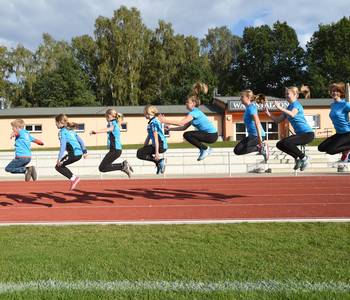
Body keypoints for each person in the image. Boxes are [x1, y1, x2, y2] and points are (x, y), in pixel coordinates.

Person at [159, 82, 218, 161]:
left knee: (187, 135)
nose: (185, 103)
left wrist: (165, 120)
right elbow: (183, 127)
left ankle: (205, 149)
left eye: (187, 102)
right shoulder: (193, 114)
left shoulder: (194, 113)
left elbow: (181, 122)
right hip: (211, 135)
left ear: (193, 103)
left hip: (211, 135)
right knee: (187, 134)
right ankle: (205, 149)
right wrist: (170, 129)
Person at [265, 86, 314, 171]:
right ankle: (297, 158)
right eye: (285, 94)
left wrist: (280, 108)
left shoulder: (296, 104)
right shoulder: (288, 107)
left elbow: (292, 114)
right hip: (300, 134)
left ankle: (304, 158)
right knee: (279, 144)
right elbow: (278, 120)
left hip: (307, 134)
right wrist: (268, 113)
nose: (286, 95)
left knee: (287, 142)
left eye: (288, 93)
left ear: (295, 95)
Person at [90, 109, 133, 178]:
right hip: (116, 150)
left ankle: (123, 166)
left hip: (115, 150)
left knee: (102, 168)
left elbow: (110, 129)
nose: (106, 119)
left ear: (109, 116)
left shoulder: (112, 123)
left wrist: (96, 131)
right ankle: (123, 165)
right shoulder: (116, 122)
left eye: (106, 117)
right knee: (103, 167)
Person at [318, 83, 350, 171]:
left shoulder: (345, 104)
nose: (334, 93)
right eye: (332, 91)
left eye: (336, 91)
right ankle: (346, 151)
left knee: (331, 150)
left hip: (347, 133)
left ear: (340, 93)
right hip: (339, 133)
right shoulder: (332, 105)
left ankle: (346, 153)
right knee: (321, 147)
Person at [233, 90, 269, 162]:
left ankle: (263, 147)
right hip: (252, 136)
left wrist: (260, 139)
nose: (240, 99)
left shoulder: (251, 108)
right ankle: (260, 148)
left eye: (242, 97)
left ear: (248, 97)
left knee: (239, 150)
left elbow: (257, 123)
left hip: (257, 136)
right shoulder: (248, 108)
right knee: (237, 150)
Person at [55, 114, 87, 190]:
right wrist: (85, 152)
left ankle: (74, 179)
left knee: (58, 166)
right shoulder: (71, 131)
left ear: (59, 122)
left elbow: (63, 146)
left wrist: (59, 158)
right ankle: (74, 179)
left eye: (56, 122)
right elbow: (81, 141)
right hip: (79, 154)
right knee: (60, 166)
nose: (55, 124)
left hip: (73, 154)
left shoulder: (62, 132)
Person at [137, 105, 168, 174]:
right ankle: (159, 162)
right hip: (158, 145)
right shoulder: (151, 122)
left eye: (144, 112)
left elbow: (156, 138)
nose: (143, 114)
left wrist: (156, 152)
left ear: (148, 113)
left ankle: (159, 161)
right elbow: (149, 135)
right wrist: (145, 145)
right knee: (140, 152)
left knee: (139, 153)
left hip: (160, 145)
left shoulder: (153, 123)